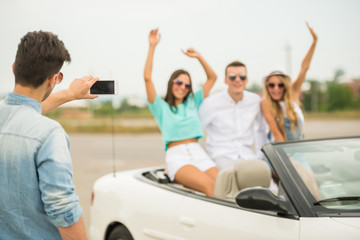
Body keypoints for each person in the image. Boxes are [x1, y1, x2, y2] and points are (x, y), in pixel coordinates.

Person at [0, 31, 98, 240]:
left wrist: (70, 94)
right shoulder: (49, 134)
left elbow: (23, 112)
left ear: (14, 68)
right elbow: (63, 210)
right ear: (54, 79)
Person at [144, 29, 218, 197]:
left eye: (187, 85)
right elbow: (147, 78)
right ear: (172, 83)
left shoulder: (193, 101)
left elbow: (212, 78)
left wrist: (199, 56)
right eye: (179, 82)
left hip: (198, 151)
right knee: (210, 188)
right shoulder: (160, 106)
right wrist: (152, 47)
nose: (183, 87)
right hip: (177, 156)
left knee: (224, 188)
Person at [199, 61, 268, 171]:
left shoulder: (255, 100)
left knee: (268, 184)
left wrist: (261, 156)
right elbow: (194, 130)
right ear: (225, 80)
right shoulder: (211, 103)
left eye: (242, 76)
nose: (237, 80)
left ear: (247, 79)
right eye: (232, 77)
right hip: (221, 156)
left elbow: (261, 129)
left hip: (248, 155)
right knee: (236, 183)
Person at [261, 22, 317, 142]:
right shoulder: (265, 103)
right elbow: (276, 133)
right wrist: (288, 159)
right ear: (267, 86)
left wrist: (314, 42)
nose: (276, 88)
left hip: (298, 149)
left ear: (285, 85)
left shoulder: (293, 94)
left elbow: (304, 68)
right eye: (271, 85)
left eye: (280, 85)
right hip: (279, 152)